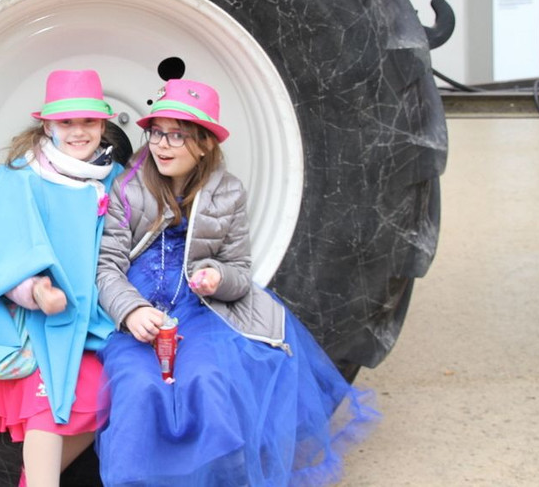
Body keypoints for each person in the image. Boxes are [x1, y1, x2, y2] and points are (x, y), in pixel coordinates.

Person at [94, 78, 379, 486]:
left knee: (206, 379)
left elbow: (239, 270)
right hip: (140, 309)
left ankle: (216, 477)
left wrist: (217, 278)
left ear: (204, 143)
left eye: (177, 135)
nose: (162, 145)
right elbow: (106, 266)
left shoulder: (227, 192)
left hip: (199, 311)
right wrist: (131, 310)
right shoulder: (128, 188)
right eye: (156, 132)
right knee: (138, 386)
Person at [0, 69, 125, 487]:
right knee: (48, 404)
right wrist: (36, 290)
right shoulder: (21, 178)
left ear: (103, 125)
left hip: (92, 318)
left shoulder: (113, 178)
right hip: (37, 320)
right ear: (47, 125)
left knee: (108, 397)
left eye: (89, 121)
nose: (79, 131)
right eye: (66, 122)